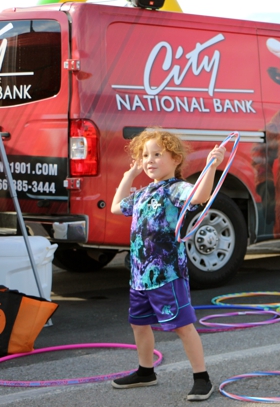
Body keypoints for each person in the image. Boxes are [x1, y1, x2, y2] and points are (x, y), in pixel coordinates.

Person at [110, 129, 226, 401]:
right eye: (145, 156)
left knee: (182, 326)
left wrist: (212, 166)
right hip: (140, 277)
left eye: (157, 154)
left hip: (167, 274)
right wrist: (130, 175)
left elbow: (200, 196)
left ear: (175, 159)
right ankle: (145, 371)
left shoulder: (176, 188)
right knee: (138, 324)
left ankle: (202, 378)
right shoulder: (143, 192)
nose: (149, 160)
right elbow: (117, 207)